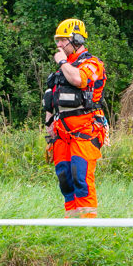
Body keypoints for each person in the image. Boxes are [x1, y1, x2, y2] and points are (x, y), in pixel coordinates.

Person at [43, 19, 108, 218]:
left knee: (80, 175)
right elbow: (50, 98)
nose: (59, 45)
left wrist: (62, 62)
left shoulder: (92, 63)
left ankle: (88, 221)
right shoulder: (61, 69)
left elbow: (78, 80)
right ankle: (70, 221)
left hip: (85, 130)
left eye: (63, 40)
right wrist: (48, 125)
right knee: (64, 177)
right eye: (57, 41)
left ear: (77, 40)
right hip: (61, 132)